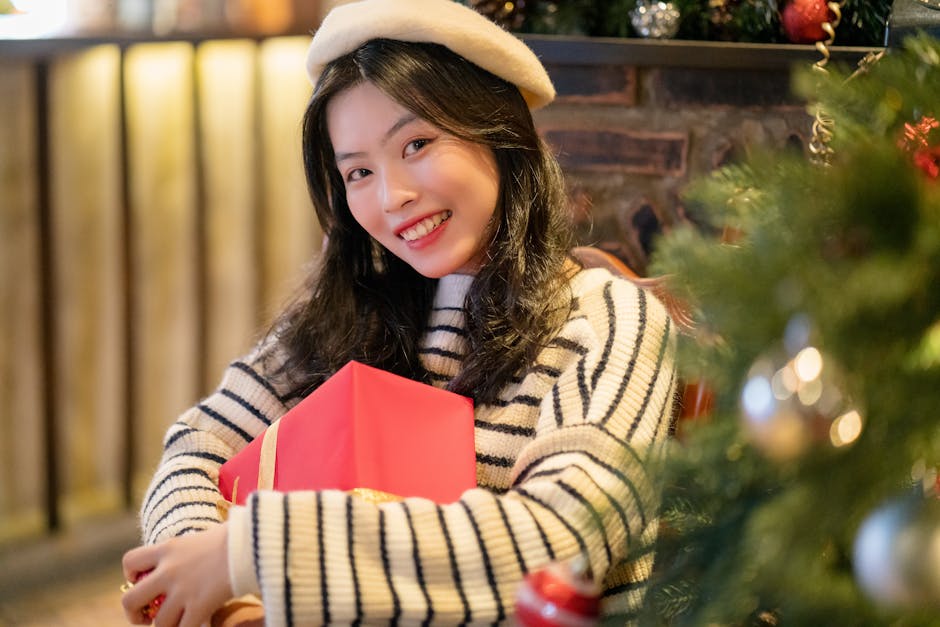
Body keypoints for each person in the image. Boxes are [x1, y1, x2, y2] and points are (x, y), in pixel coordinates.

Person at [121, 0, 678, 624]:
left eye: (416, 143)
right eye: (358, 171)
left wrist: (254, 551)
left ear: (499, 133)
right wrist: (216, 578)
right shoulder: (344, 312)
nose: (392, 198)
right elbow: (198, 445)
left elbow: (566, 540)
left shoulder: (610, 319)